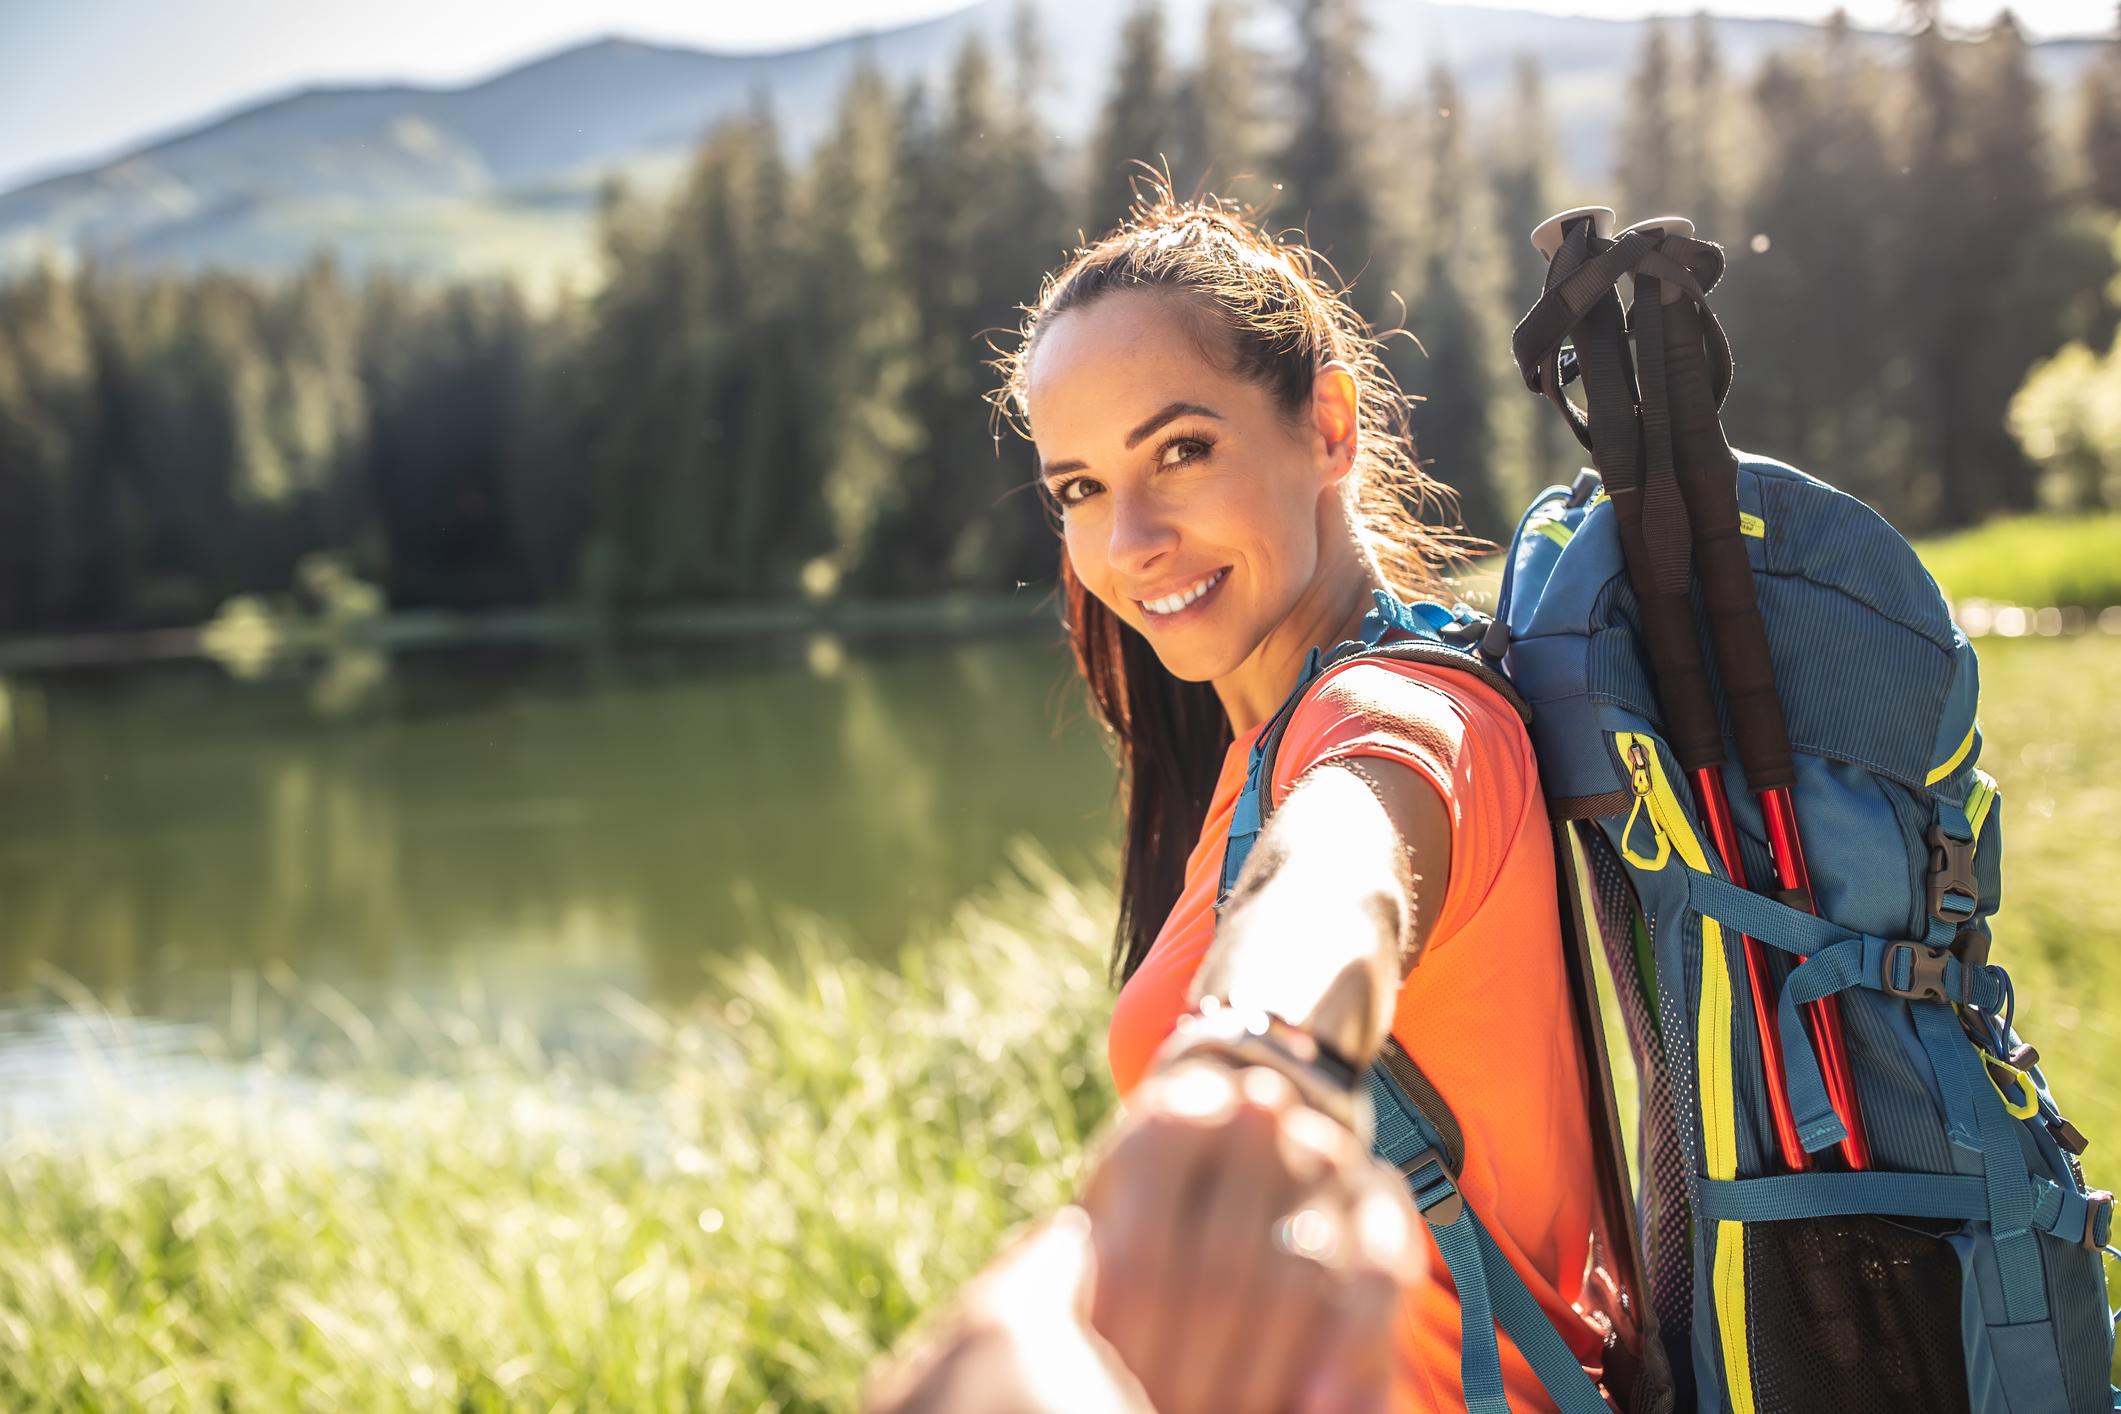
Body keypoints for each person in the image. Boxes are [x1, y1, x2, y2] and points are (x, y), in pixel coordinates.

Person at [873, 185, 1616, 1413]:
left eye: (1181, 450)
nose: (1130, 541)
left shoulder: (1401, 710)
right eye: (1079, 488)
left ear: (1328, 425)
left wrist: (1251, 1059)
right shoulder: (1262, 743)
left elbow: (1342, 871)